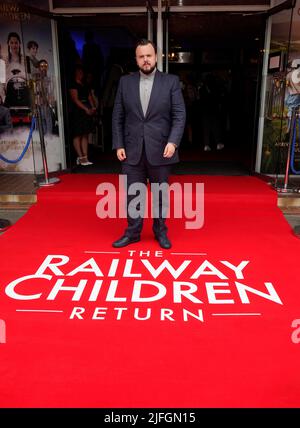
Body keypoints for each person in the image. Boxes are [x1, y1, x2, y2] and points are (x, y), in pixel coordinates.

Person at [112, 39, 186, 249]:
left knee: (160, 196)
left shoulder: (171, 81)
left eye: (149, 55)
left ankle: (160, 231)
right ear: (136, 60)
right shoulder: (125, 83)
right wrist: (119, 145)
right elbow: (117, 115)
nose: (146, 60)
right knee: (133, 195)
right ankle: (133, 233)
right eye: (141, 56)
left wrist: (173, 142)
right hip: (131, 149)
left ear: (157, 57)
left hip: (162, 149)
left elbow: (179, 115)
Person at [69, 65, 97, 166]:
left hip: (87, 109)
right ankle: (80, 157)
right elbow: (75, 99)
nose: (81, 74)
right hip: (78, 111)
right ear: (75, 73)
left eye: (82, 72)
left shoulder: (84, 84)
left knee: (85, 134)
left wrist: (93, 107)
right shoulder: (73, 84)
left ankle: (85, 157)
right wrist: (86, 109)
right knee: (77, 134)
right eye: (79, 72)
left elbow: (89, 96)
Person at [199, 72, 225, 152]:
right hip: (214, 110)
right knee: (216, 127)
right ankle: (218, 144)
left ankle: (206, 145)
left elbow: (201, 100)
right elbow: (219, 99)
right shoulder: (216, 88)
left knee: (206, 128)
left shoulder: (202, 89)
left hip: (205, 111)